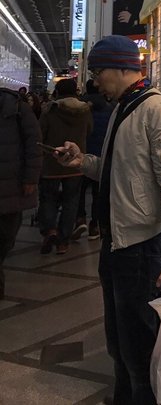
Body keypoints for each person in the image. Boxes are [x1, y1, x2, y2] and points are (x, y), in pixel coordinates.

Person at [56, 35, 161, 405]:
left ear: (120, 67)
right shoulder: (122, 108)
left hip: (142, 249)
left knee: (139, 348)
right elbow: (117, 170)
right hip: (115, 244)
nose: (96, 81)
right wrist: (82, 161)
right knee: (118, 342)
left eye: (99, 72)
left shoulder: (156, 110)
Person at [39, 78, 92, 255]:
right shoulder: (85, 110)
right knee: (71, 201)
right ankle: (63, 241)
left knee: (48, 198)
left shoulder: (50, 109)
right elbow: (90, 130)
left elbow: (41, 132)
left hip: (51, 161)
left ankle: (50, 230)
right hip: (75, 162)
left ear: (58, 92)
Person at [0, 87, 41, 299]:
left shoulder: (17, 107)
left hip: (12, 186)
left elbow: (34, 144)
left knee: (6, 237)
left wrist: (30, 178)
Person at [71, 80, 111, 240]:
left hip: (80, 154)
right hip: (102, 155)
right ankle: (95, 226)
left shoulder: (78, 108)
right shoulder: (111, 108)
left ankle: (80, 219)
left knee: (78, 192)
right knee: (98, 193)